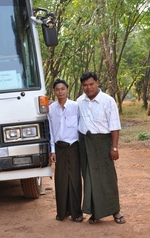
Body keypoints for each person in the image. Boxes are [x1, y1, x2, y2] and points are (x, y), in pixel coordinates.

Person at [76, 71, 126, 224]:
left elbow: (114, 126)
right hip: (85, 144)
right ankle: (95, 213)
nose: (88, 88)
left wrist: (114, 148)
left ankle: (115, 211)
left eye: (91, 84)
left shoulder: (108, 101)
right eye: (85, 85)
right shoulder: (79, 102)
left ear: (97, 82)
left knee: (107, 178)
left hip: (103, 144)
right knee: (89, 178)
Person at [48, 78, 83, 222]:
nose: (60, 92)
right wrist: (52, 150)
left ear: (67, 90)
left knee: (74, 179)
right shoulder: (51, 109)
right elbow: (50, 131)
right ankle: (62, 212)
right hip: (59, 147)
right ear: (54, 91)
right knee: (61, 180)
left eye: (63, 89)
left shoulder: (76, 106)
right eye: (57, 89)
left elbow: (82, 126)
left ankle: (77, 213)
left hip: (74, 146)